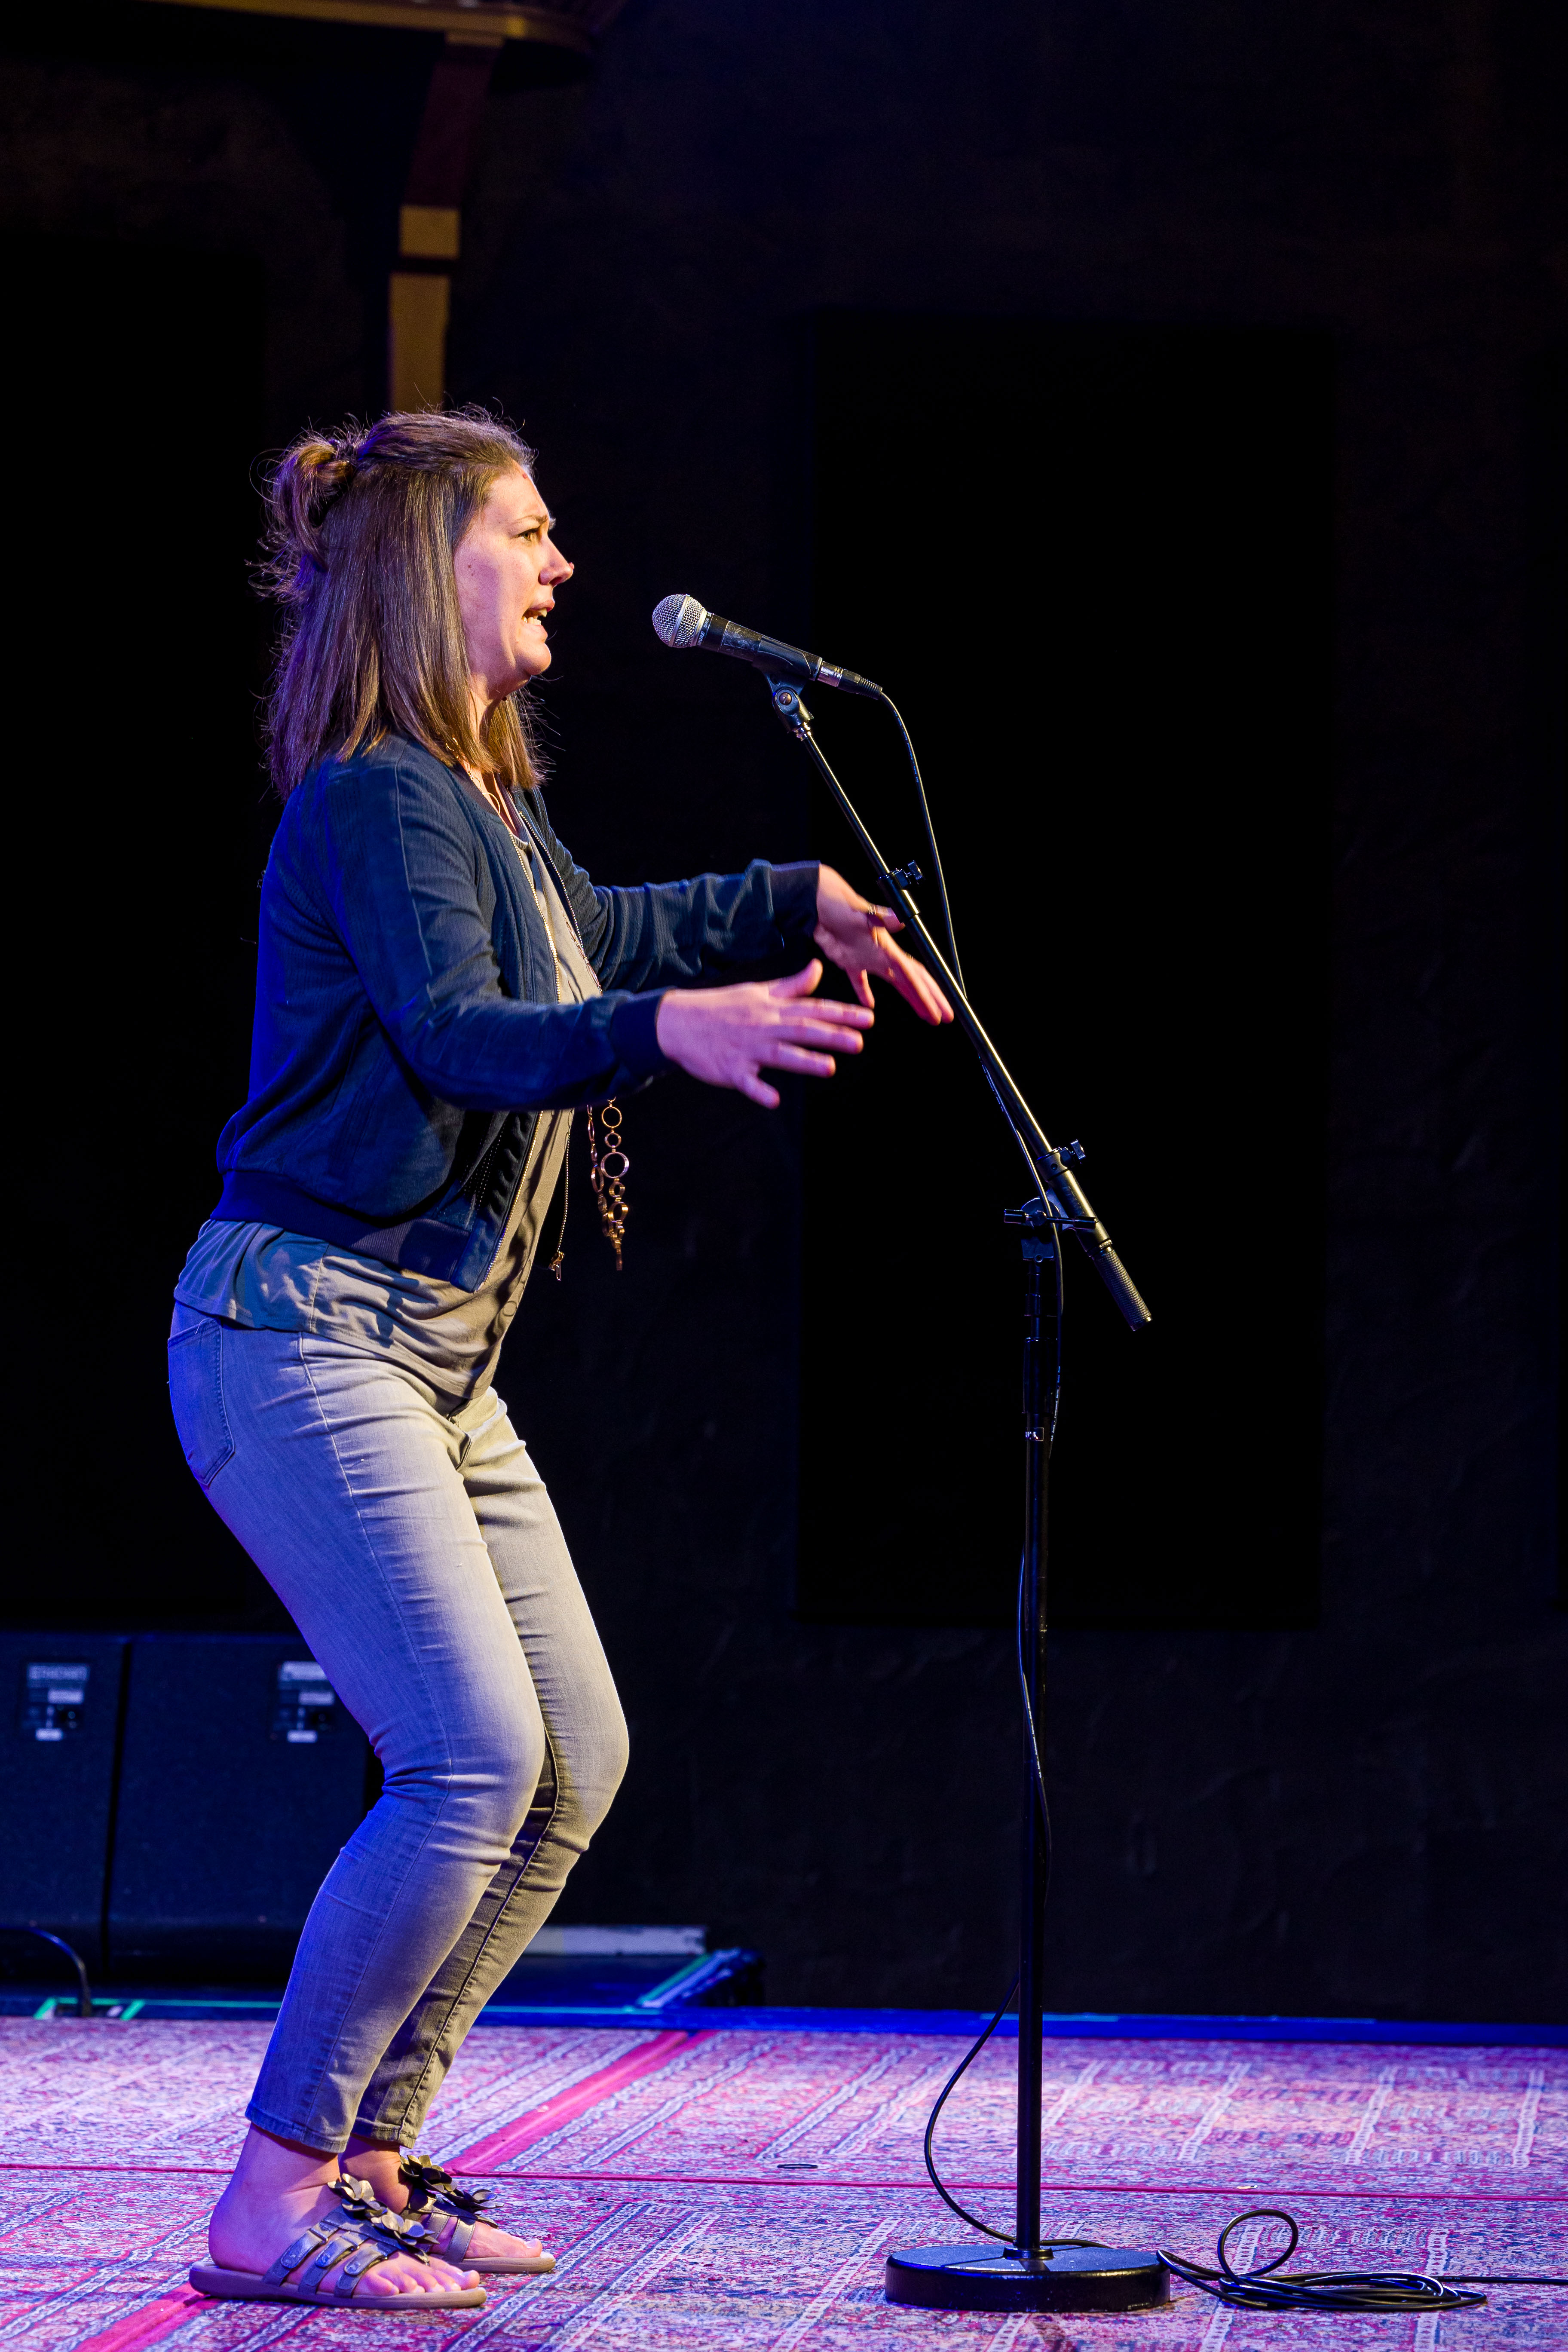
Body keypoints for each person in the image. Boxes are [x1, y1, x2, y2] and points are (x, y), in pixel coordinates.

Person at [168, 407, 951, 2311]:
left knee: (570, 1755)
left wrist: (789, 899)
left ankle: (373, 2156)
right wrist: (666, 1030)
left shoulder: (478, 799)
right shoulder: (374, 794)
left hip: (434, 1358)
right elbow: (461, 1028)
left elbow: (585, 933)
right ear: (426, 558)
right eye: (527, 531)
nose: (563, 562)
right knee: (469, 1755)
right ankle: (270, 2196)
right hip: (305, 1330)